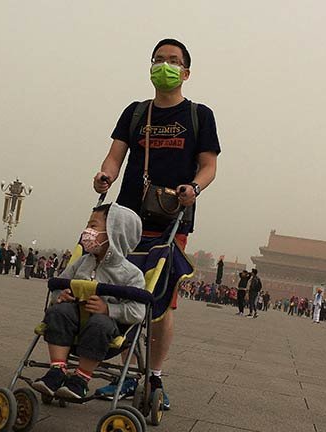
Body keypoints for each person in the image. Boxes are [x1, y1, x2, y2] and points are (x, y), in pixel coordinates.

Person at [92, 38, 220, 408]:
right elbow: (115, 157)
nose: (166, 65)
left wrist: (194, 187)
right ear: (150, 67)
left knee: (161, 301)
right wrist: (105, 176)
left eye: (174, 60)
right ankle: (126, 375)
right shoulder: (135, 113)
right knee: (121, 291)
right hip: (126, 218)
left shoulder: (199, 115)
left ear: (186, 72)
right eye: (159, 59)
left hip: (170, 221)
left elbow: (209, 165)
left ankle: (154, 377)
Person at [31, 203, 145, 399]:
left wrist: (109, 309)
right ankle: (57, 370)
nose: (87, 232)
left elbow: (137, 311)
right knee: (58, 312)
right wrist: (61, 296)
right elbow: (59, 285)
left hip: (106, 331)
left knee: (100, 323)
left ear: (114, 232)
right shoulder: (83, 262)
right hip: (73, 322)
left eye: (93, 226)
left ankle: (81, 378)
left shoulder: (131, 275)